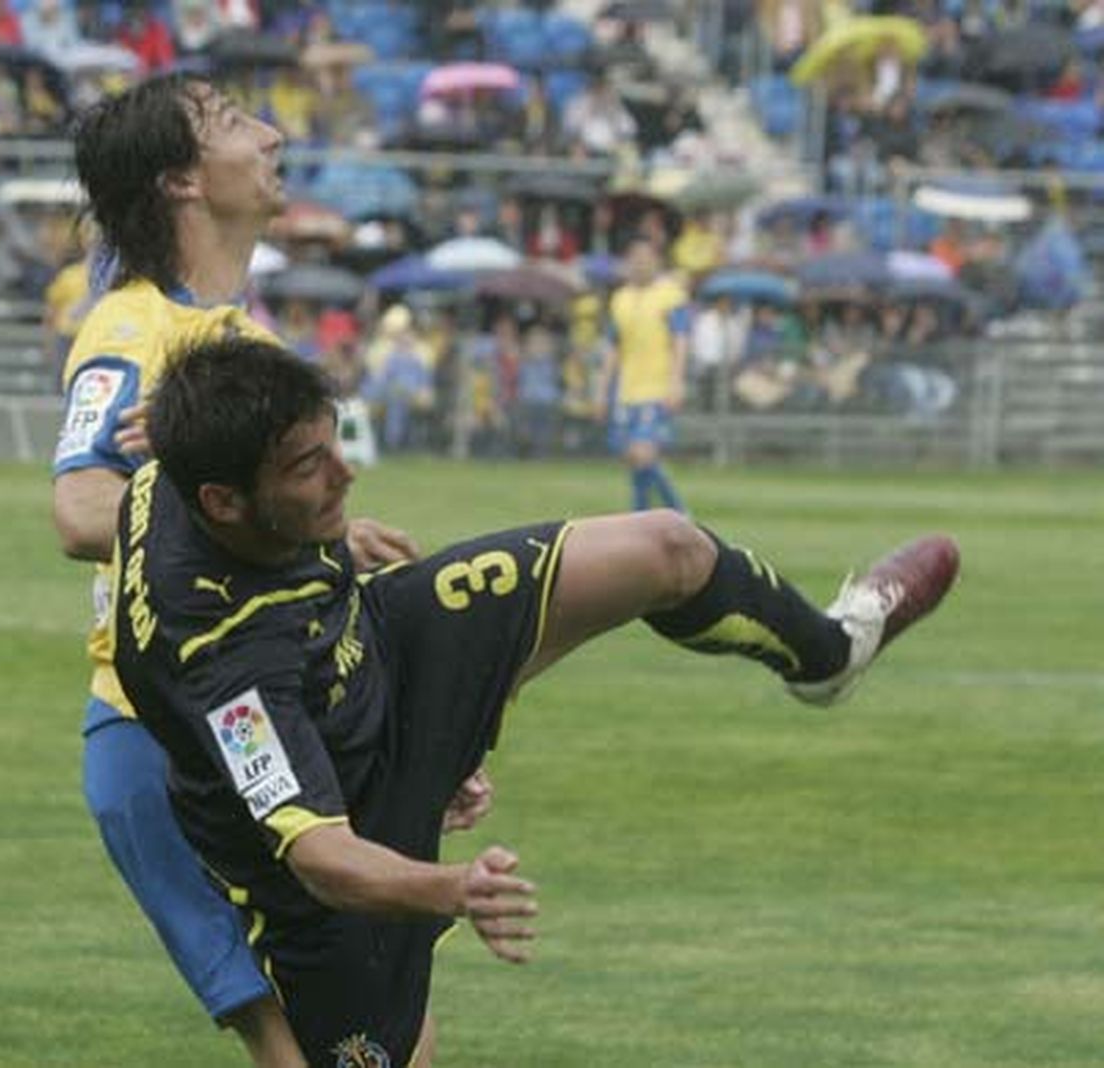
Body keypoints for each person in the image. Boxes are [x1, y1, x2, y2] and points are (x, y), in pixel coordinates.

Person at [113, 335, 961, 1067]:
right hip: (351, 836)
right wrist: (455, 888)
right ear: (222, 501)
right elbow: (322, 862)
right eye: (310, 468)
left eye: (336, 442)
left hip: (385, 641)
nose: (347, 471)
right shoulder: (229, 667)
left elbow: (138, 475)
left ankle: (828, 655)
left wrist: (333, 530)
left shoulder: (166, 471)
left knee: (666, 547)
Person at [53, 76, 430, 1065]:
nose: (270, 133)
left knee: (382, 1028)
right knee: (317, 1044)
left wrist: (331, 540)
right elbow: (80, 509)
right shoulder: (133, 331)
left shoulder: (250, 345)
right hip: (168, 743)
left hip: (264, 717)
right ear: (180, 181)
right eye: (231, 124)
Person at [594, 237, 691, 513]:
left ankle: (679, 514)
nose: (640, 264)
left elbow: (680, 340)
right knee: (631, 459)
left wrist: (676, 382)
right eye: (635, 259)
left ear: (657, 261)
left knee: (643, 454)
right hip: (626, 391)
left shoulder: (671, 295)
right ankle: (641, 519)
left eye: (646, 258)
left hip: (657, 388)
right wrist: (602, 391)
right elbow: (613, 348)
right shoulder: (620, 298)